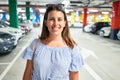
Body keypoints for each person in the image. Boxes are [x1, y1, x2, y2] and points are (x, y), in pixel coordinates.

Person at [22, 4, 84, 80]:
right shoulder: (35, 44)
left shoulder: (72, 48)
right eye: (51, 19)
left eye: (59, 19)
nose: (55, 23)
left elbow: (74, 77)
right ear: (46, 22)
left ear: (64, 23)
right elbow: (28, 71)